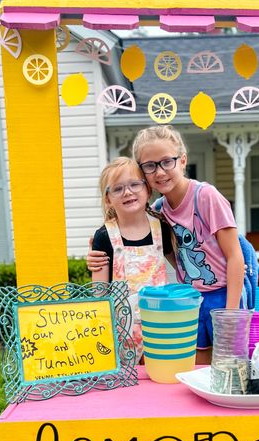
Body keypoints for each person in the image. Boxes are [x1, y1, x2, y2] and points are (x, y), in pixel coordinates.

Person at [88, 126, 245, 364]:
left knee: (230, 364)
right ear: (145, 176)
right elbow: (175, 257)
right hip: (186, 302)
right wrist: (94, 255)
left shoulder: (205, 197)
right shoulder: (160, 212)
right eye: (150, 166)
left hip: (222, 298)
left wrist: (231, 313)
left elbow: (234, 255)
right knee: (196, 369)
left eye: (166, 162)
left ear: (182, 160)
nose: (159, 171)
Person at [91, 156, 174, 363]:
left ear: (147, 190)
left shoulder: (160, 228)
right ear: (108, 199)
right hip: (121, 334)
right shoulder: (104, 236)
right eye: (117, 189)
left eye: (134, 184)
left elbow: (182, 268)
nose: (127, 192)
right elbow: (98, 293)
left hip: (159, 327)